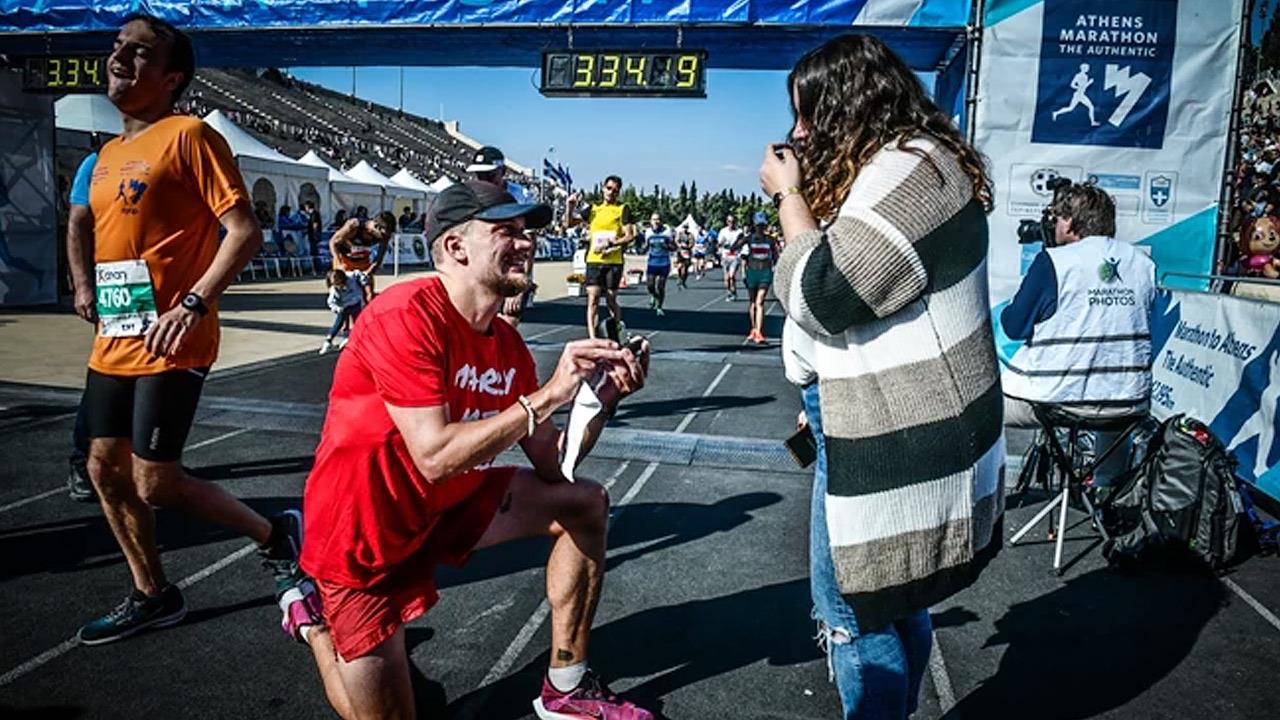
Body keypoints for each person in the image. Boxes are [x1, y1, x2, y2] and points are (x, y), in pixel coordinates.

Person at [298, 181, 654, 720]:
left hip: (444, 504)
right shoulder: (405, 316)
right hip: (365, 532)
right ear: (455, 248)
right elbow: (435, 456)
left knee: (583, 502)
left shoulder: (506, 345)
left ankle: (567, 686)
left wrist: (598, 401)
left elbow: (556, 466)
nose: (527, 243)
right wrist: (550, 393)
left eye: (526, 231)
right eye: (506, 231)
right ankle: (314, 623)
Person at [760, 34, 1002, 719]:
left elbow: (827, 294)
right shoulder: (915, 165)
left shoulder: (908, 171)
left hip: (891, 425)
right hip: (866, 408)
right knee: (894, 598)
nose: (798, 133)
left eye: (808, 115)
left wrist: (789, 198)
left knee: (854, 613)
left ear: (851, 104)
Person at [77, 13, 317, 646]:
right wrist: (89, 292)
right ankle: (151, 593)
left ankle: (275, 534)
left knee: (156, 480)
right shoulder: (104, 156)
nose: (120, 58)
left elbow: (244, 232)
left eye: (140, 52)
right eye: (117, 47)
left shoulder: (190, 136)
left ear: (172, 76)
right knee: (104, 470)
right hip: (116, 337)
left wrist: (192, 303)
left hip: (173, 337)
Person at [1001, 182, 1156, 485]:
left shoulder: (1054, 262)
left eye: (1058, 218)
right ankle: (1106, 495)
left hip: (1056, 400)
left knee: (976, 408)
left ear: (1069, 222)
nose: (1055, 224)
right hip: (1128, 402)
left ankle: (981, 496)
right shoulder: (1143, 264)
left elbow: (1013, 326)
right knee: (1113, 401)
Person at [470, 145, 536, 325]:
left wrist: (519, 286)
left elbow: (529, 245)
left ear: (503, 172)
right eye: (479, 176)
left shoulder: (520, 196)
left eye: (490, 175)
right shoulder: (470, 195)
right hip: (482, 271)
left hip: (509, 269)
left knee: (508, 325)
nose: (484, 181)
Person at [66, 150, 99, 502]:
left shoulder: (178, 150)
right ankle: (81, 458)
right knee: (104, 380)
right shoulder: (98, 160)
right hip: (117, 291)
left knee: (158, 378)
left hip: (162, 294)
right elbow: (77, 222)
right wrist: (82, 284)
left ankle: (154, 463)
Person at [566, 175, 634, 340]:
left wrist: (613, 243)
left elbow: (629, 235)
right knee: (593, 299)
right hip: (594, 260)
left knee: (611, 299)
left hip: (613, 261)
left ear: (619, 193)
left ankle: (617, 332)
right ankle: (593, 338)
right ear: (603, 188)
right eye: (609, 188)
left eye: (615, 191)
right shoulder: (593, 208)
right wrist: (569, 206)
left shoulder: (622, 208)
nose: (611, 193)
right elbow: (569, 223)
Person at [329, 210, 395, 299]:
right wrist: (338, 262)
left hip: (363, 262)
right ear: (376, 226)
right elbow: (333, 242)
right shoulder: (353, 226)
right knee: (344, 295)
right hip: (344, 260)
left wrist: (370, 271)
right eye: (383, 234)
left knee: (369, 295)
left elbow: (379, 258)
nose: (385, 237)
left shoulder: (385, 235)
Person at [737, 211, 779, 344]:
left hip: (765, 273)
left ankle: (759, 331)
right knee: (753, 302)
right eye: (758, 225)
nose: (760, 228)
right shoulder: (749, 239)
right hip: (752, 273)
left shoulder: (770, 240)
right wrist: (744, 272)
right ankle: (753, 328)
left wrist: (775, 268)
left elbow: (776, 256)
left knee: (760, 301)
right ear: (754, 225)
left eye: (762, 225)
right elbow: (738, 251)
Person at [319, 268, 366, 355]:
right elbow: (331, 302)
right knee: (339, 322)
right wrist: (337, 309)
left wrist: (363, 279)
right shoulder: (334, 290)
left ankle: (355, 339)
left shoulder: (350, 277)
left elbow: (357, 273)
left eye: (339, 283)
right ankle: (329, 341)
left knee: (358, 321)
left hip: (356, 302)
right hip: (344, 306)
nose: (339, 286)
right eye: (336, 284)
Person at [642, 212, 676, 316]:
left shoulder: (667, 232)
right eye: (653, 219)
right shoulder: (648, 232)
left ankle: (659, 307)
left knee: (661, 286)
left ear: (661, 221)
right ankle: (654, 296)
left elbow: (674, 247)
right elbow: (646, 246)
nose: (656, 222)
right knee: (650, 286)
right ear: (651, 221)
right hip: (652, 262)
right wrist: (643, 249)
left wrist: (667, 246)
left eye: (658, 219)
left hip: (664, 263)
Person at [717, 213, 744, 301]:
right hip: (725, 256)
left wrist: (737, 246)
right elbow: (719, 244)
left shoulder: (739, 232)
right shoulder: (723, 231)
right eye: (729, 221)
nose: (731, 223)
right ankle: (729, 292)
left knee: (732, 276)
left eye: (732, 222)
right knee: (727, 277)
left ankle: (734, 292)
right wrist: (722, 242)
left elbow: (742, 242)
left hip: (735, 256)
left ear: (735, 222)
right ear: (727, 222)